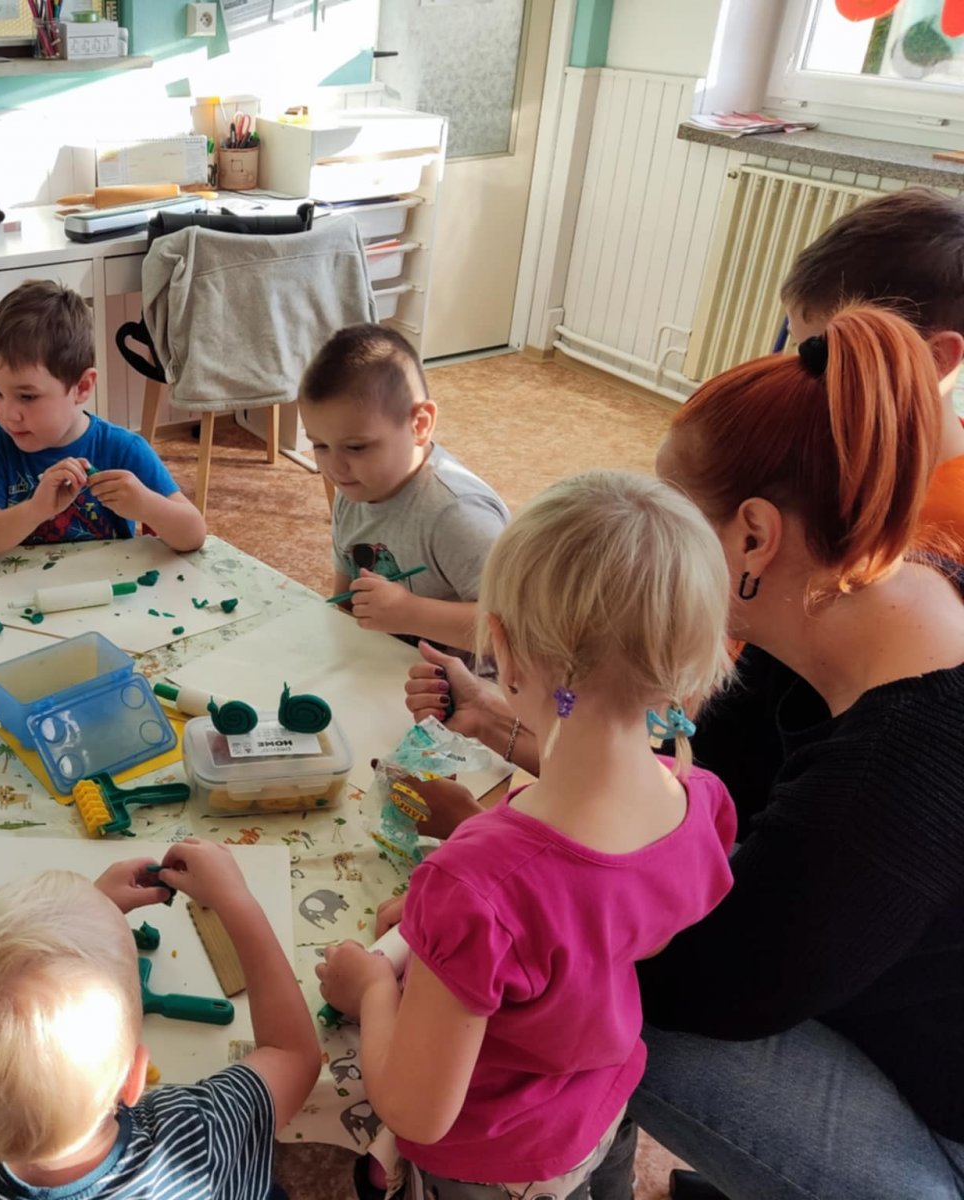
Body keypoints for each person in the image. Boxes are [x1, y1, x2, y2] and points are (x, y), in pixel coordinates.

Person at [410, 308, 964, 1198]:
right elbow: (669, 806)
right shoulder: (834, 606)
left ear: (754, 537)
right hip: (825, 971)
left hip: (935, 1109)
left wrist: (487, 904)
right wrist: (509, 728)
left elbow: (693, 970)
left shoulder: (892, 782)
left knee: (576, 1011)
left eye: (671, 509)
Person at [321, 470, 735, 1199]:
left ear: (502, 651)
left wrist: (374, 991)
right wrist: (461, 935)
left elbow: (416, 1110)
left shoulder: (472, 886)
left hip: (493, 1160)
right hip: (601, 1109)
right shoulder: (699, 800)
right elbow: (609, 920)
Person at [0, 840, 320, 1198]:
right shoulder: (194, 1143)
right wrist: (235, 900)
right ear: (135, 1078)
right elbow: (293, 1055)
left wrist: (88, 919)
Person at [0, 279, 207, 561]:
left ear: (83, 387)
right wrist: (36, 509)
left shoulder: (123, 449)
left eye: (27, 396)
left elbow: (194, 534)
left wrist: (148, 506)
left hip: (108, 586)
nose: (7, 413)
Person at [297, 323, 507, 653]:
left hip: (472, 681)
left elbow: (516, 630)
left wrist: (410, 613)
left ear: (419, 425)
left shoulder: (458, 514)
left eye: (356, 447)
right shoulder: (356, 490)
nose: (334, 467)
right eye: (320, 445)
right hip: (386, 667)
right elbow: (345, 601)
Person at [781, 187, 964, 539]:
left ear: (936, 359)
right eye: (798, 347)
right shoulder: (834, 450)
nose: (802, 380)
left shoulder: (947, 524)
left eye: (828, 363)